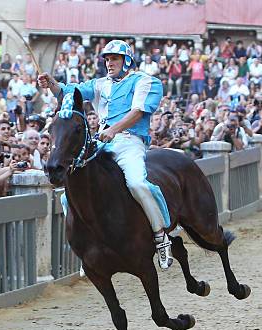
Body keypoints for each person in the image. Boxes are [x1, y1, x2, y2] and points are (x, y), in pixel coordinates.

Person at [38, 39, 175, 269]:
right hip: (103, 144)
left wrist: (114, 129)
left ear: (126, 60)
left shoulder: (145, 81)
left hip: (130, 142)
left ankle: (160, 235)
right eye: (107, 59)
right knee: (67, 194)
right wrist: (52, 84)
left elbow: (138, 112)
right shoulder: (101, 83)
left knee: (137, 184)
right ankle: (87, 242)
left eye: (114, 58)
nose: (109, 63)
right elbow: (70, 92)